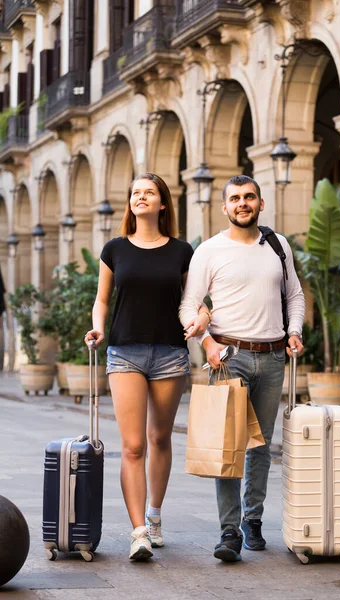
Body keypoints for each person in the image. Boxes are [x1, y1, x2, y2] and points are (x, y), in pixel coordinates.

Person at [179, 174, 305, 563]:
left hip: (272, 358)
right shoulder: (209, 251)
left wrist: (295, 331)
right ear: (224, 207)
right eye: (235, 198)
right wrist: (207, 343)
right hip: (229, 358)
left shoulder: (277, 245)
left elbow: (294, 295)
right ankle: (229, 530)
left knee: (262, 446)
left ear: (260, 203)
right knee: (229, 446)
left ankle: (253, 520)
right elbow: (188, 306)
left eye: (249, 197)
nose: (242, 203)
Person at [85, 173, 210, 561]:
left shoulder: (182, 251)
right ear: (131, 204)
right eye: (135, 192)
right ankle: (138, 531)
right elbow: (102, 299)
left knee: (159, 438)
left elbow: (197, 301)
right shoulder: (115, 249)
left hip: (171, 353)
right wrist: (98, 327)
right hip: (124, 352)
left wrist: (203, 319)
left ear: (162, 204)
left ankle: (154, 515)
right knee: (133, 445)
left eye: (149, 192)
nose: (141, 197)